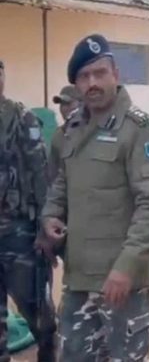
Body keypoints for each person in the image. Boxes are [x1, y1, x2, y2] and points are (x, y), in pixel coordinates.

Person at [41, 34, 149, 361]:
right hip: (79, 278)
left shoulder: (137, 129)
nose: (93, 83)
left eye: (100, 73)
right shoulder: (72, 128)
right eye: (84, 77)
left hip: (122, 284)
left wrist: (126, 268)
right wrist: (51, 215)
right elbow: (61, 182)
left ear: (116, 74)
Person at [0, 60, 57, 362]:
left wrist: (45, 228)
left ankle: (48, 351)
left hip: (19, 232)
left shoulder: (22, 119)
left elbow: (41, 175)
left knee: (34, 308)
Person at [49, 85, 82, 181]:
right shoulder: (58, 135)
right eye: (62, 104)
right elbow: (52, 172)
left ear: (81, 104)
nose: (64, 108)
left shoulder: (90, 131)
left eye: (68, 103)